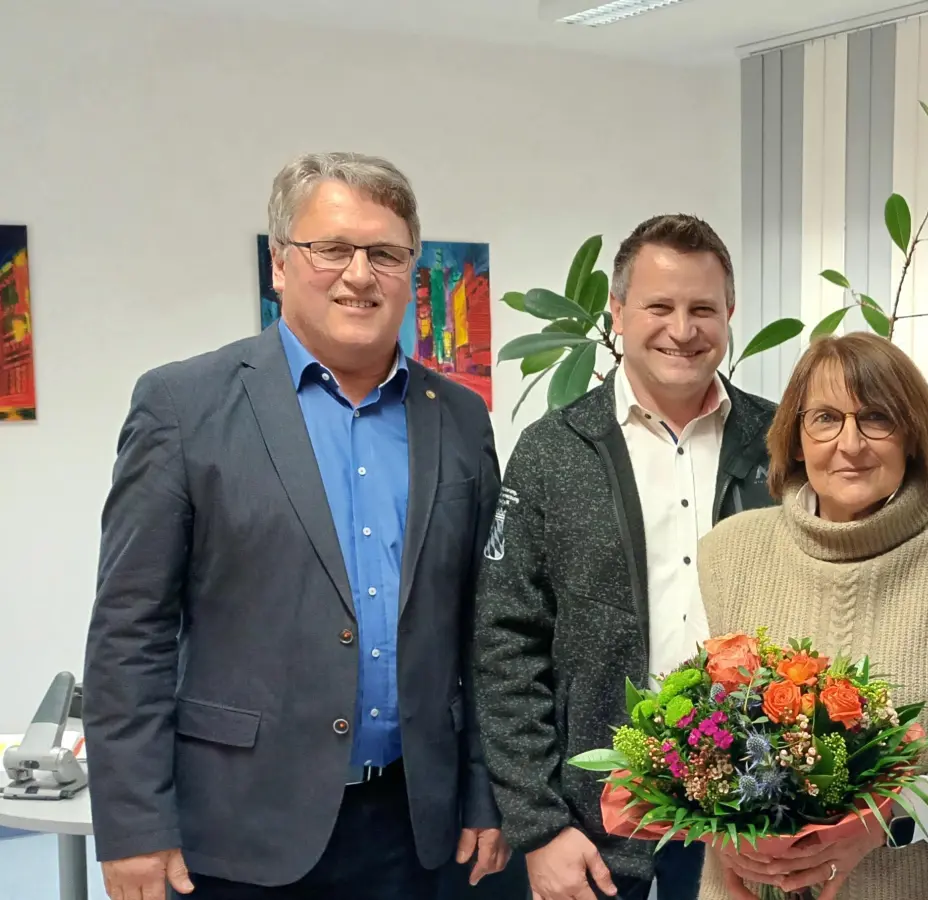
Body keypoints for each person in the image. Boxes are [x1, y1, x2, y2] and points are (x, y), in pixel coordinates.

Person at [83, 152, 510, 899]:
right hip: (238, 829)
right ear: (280, 265)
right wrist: (134, 826)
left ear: (410, 270)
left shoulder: (460, 418)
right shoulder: (183, 405)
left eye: (385, 253)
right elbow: (130, 633)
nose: (358, 274)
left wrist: (482, 791)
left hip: (413, 827)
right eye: (331, 250)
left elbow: (482, 625)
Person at [472, 214, 777, 900]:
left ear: (729, 314)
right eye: (659, 306)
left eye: (703, 308)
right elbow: (504, 645)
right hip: (600, 838)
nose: (683, 328)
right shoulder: (553, 451)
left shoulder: (782, 442)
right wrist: (540, 827)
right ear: (617, 313)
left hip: (759, 819)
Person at [695, 332, 928, 900]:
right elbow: (688, 725)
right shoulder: (727, 552)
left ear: (913, 438)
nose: (850, 443)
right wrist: (715, 821)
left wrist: (887, 822)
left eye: (877, 418)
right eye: (825, 418)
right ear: (797, 439)